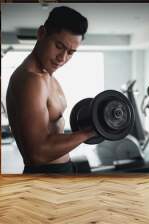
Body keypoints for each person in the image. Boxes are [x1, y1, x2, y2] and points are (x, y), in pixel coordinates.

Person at [6, 6, 95, 174]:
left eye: (71, 52)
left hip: (62, 169)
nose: (62, 58)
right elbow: (37, 153)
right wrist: (88, 133)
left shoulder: (48, 74)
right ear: (41, 33)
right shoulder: (32, 80)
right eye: (59, 46)